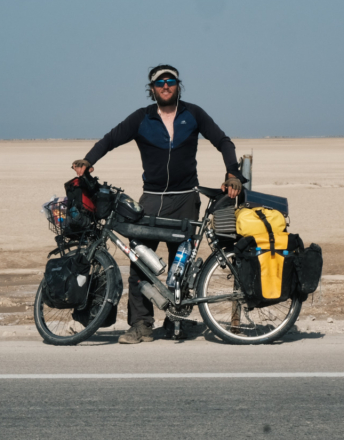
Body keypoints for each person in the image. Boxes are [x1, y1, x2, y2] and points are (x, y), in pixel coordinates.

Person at [72, 64, 244, 344]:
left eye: (171, 81)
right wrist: (88, 160)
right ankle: (141, 324)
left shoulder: (194, 114)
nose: (165, 85)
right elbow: (111, 139)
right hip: (151, 201)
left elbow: (223, 141)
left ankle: (178, 321)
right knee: (140, 262)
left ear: (178, 85)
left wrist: (232, 173)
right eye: (159, 82)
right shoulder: (142, 118)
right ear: (151, 89)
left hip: (186, 198)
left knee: (182, 264)